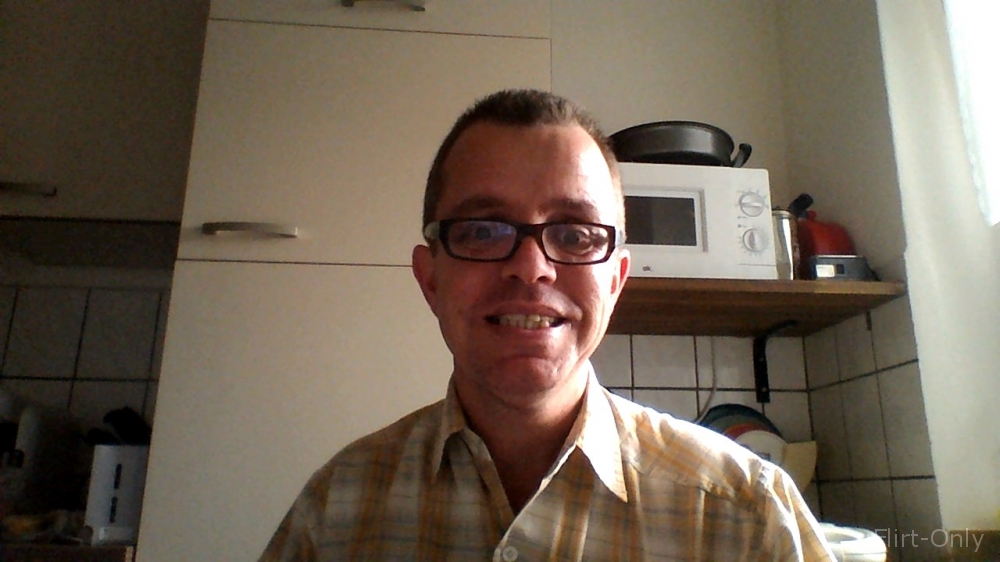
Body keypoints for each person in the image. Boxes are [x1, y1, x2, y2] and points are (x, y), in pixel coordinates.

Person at [258, 89, 836, 561]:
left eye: (576, 235)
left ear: (615, 281)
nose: (531, 268)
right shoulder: (334, 509)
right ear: (430, 278)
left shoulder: (748, 515)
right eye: (483, 231)